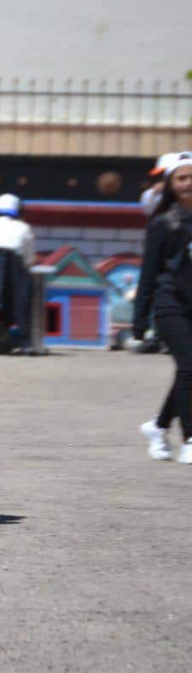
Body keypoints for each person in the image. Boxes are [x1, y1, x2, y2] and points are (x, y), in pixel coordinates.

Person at [136, 154, 192, 463]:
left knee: (187, 371)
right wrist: (140, 319)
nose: (188, 183)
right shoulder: (162, 223)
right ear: (171, 184)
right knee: (189, 367)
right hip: (170, 303)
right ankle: (189, 439)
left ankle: (158, 427)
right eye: (182, 178)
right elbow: (148, 272)